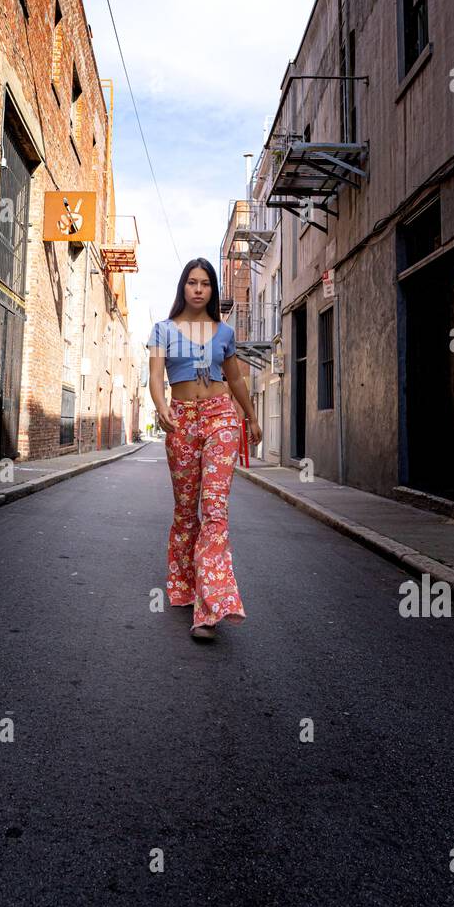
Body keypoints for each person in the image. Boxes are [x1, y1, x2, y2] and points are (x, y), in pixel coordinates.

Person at [147, 258, 262, 641]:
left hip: (220, 417)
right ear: (183, 287)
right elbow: (155, 377)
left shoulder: (224, 332)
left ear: (212, 291)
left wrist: (251, 417)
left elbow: (235, 379)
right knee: (185, 510)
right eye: (192, 282)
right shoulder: (162, 330)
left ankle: (210, 607)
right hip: (181, 418)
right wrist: (162, 409)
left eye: (206, 283)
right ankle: (183, 583)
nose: (198, 289)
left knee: (214, 507)